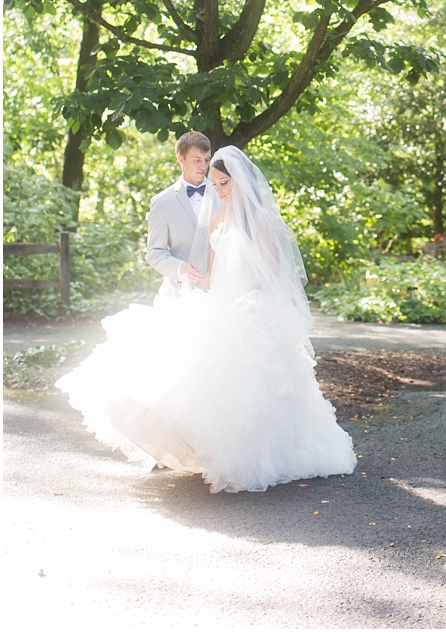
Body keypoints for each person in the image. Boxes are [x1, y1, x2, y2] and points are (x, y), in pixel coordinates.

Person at [57, 145, 356, 493]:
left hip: (252, 308)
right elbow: (213, 274)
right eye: (215, 185)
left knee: (251, 385)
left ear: (241, 181)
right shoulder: (215, 219)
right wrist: (201, 295)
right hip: (221, 304)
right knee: (187, 373)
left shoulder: (260, 221)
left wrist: (247, 303)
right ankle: (198, 449)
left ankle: (253, 456)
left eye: (225, 183)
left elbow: (272, 273)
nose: (220, 191)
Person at [145, 132, 212, 294]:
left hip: (223, 289)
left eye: (207, 160)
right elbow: (154, 252)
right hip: (181, 292)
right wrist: (180, 268)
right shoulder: (162, 202)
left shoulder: (223, 194)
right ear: (180, 159)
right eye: (196, 160)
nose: (203, 166)